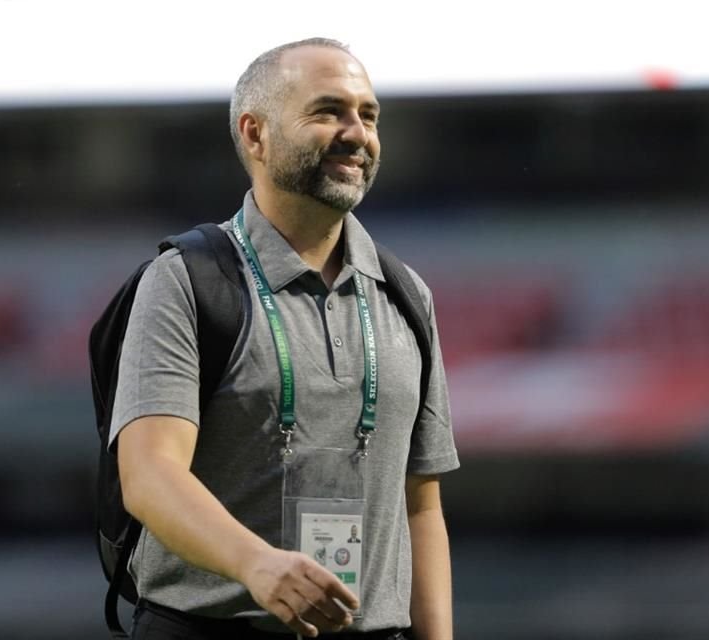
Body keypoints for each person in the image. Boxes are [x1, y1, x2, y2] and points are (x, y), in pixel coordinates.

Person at [110, 37, 459, 640]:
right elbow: (149, 478)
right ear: (255, 134)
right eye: (327, 111)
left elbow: (420, 505)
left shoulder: (407, 294)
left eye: (368, 115)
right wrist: (257, 564)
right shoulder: (186, 281)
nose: (357, 133)